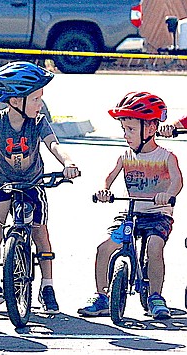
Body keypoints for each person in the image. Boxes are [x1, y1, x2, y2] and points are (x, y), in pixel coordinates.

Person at [0, 61, 79, 315]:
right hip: (3, 184)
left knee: (40, 233)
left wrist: (68, 162)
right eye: (35, 99)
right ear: (15, 101)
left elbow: (53, 145)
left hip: (32, 184)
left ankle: (47, 287)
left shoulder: (38, 122)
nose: (39, 104)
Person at [78, 92, 182, 320]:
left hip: (157, 215)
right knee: (104, 248)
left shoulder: (166, 157)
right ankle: (101, 296)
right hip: (131, 214)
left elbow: (177, 180)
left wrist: (167, 195)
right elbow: (108, 177)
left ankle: (156, 296)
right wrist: (103, 190)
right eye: (124, 129)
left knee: (154, 247)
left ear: (152, 128)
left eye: (131, 130)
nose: (126, 135)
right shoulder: (125, 156)